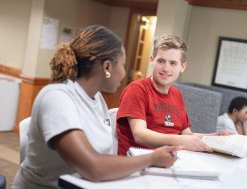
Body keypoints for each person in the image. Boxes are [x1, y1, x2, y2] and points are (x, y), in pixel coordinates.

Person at [12, 25, 180, 189]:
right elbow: (93, 167)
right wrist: (152, 158)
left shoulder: (97, 99)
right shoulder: (57, 97)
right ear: (107, 67)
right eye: (122, 65)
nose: (123, 72)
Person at [117, 35, 230, 156]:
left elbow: (187, 136)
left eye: (173, 63)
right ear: (151, 60)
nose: (166, 68)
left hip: (170, 161)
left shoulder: (177, 95)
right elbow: (139, 134)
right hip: (137, 162)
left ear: (183, 66)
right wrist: (178, 141)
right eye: (161, 61)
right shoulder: (137, 89)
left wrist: (214, 137)